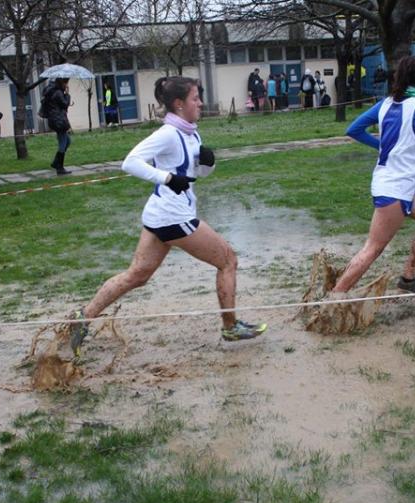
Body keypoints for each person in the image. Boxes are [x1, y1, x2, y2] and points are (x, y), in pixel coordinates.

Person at [66, 76, 267, 353]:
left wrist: (208, 165)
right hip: (173, 217)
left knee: (137, 275)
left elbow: (194, 175)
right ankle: (230, 327)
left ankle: (82, 318)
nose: (200, 103)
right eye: (195, 98)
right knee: (228, 261)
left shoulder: (190, 132)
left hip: (161, 215)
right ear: (179, 104)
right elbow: (130, 163)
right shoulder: (168, 134)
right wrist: (167, 178)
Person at [334, 56, 415, 296]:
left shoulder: (386, 103)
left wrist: (380, 145)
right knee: (373, 249)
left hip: (402, 186)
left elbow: (354, 130)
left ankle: (408, 278)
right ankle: (333, 298)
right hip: (394, 189)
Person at [42, 78, 72, 175]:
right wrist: (67, 94)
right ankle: (60, 168)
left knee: (68, 141)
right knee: (63, 144)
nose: (67, 85)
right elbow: (65, 104)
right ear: (62, 83)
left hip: (55, 120)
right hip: (59, 121)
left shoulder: (54, 91)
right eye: (66, 83)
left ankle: (56, 162)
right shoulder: (58, 93)